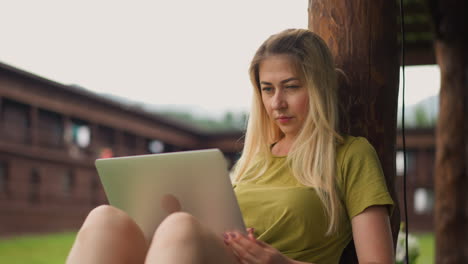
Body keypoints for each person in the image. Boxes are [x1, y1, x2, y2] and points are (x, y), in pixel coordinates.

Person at [66, 28, 395, 264]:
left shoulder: (351, 154)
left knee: (181, 227)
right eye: (267, 89)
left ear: (320, 88)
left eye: (290, 87)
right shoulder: (255, 160)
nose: (277, 102)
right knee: (105, 218)